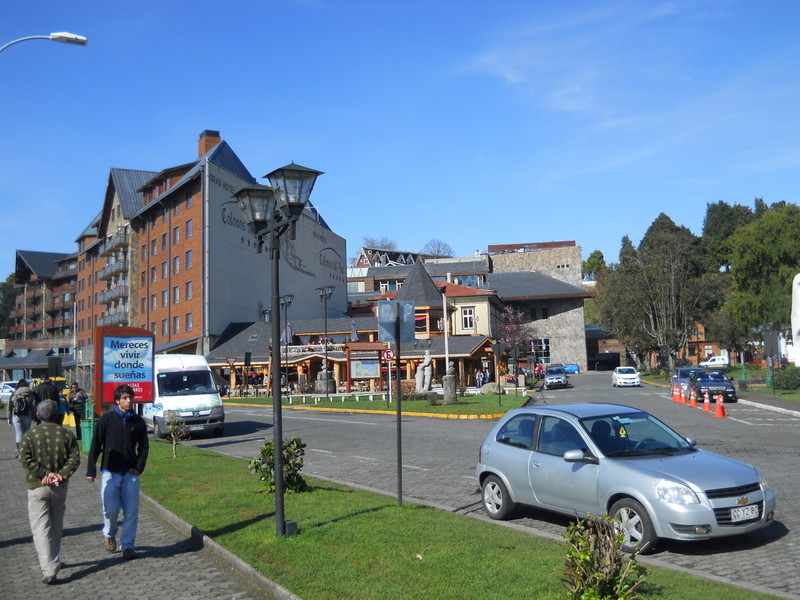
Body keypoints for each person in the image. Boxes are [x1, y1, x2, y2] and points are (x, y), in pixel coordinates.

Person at [18, 399, 81, 585]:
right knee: (56, 525)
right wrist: (59, 475)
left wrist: (45, 474)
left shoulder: (30, 436)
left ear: (38, 415)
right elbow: (75, 459)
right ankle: (54, 558)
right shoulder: (67, 435)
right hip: (59, 487)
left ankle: (50, 569)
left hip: (37, 486)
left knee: (41, 529)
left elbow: (24, 459)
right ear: (58, 415)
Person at [86, 384, 149, 560]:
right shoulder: (106, 419)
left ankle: (128, 546)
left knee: (131, 512)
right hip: (110, 472)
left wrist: (139, 466)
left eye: (130, 398)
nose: (129, 401)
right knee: (111, 510)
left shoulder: (137, 421)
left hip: (130, 473)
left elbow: (144, 446)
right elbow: (95, 446)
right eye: (124, 398)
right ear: (117, 400)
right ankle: (109, 533)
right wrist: (90, 470)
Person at [8, 378, 38, 456]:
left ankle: (20, 452)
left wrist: (9, 417)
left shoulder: (15, 393)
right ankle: (26, 451)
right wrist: (34, 416)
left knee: (19, 434)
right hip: (27, 415)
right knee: (26, 434)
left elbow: (10, 406)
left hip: (16, 415)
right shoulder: (30, 393)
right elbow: (33, 405)